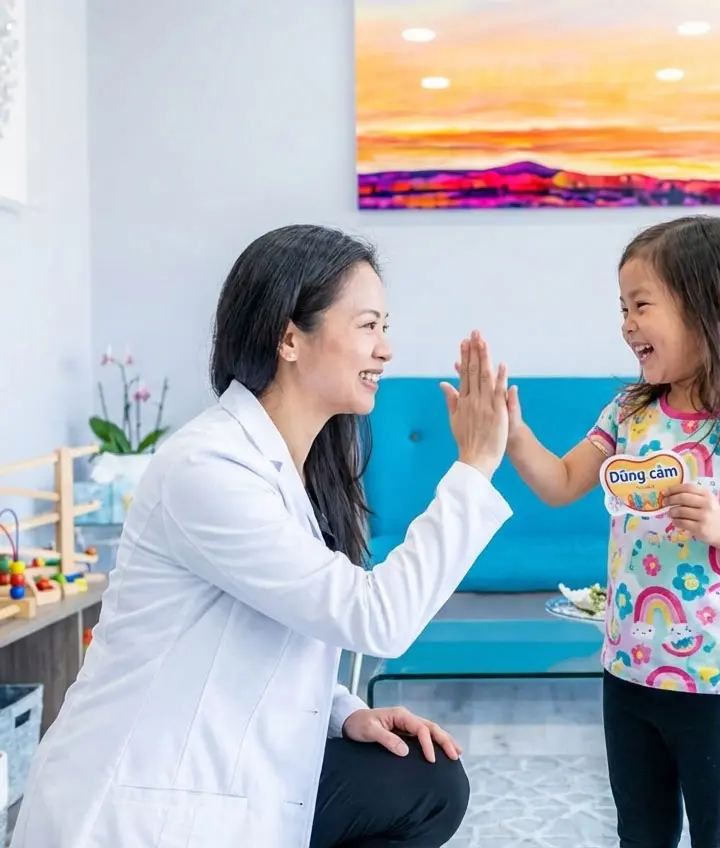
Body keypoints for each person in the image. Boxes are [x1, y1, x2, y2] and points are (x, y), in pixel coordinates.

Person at [12, 225, 513, 848]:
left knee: (425, 781)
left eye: (385, 327)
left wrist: (345, 713)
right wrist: (474, 467)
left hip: (232, 778)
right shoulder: (209, 468)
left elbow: (271, 634)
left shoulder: (291, 468)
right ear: (289, 338)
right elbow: (375, 617)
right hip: (141, 804)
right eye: (368, 325)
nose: (385, 349)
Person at [504, 216, 720, 848]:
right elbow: (564, 482)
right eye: (622, 307)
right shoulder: (629, 412)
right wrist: (511, 433)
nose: (626, 324)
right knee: (640, 832)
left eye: (641, 305)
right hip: (628, 670)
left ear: (713, 307)